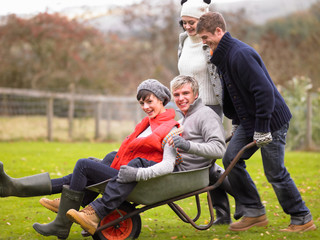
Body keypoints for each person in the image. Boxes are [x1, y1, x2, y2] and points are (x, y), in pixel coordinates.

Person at [0, 79, 180, 239]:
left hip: (136, 178)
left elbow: (163, 161)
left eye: (149, 101)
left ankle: (61, 221)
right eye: (142, 103)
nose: (146, 107)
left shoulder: (170, 127)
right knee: (88, 165)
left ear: (162, 100)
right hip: (125, 171)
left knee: (84, 166)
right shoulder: (147, 124)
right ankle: (16, 187)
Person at [196, 11, 316, 232]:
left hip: (270, 121)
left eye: (205, 37)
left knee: (275, 173)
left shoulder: (239, 54)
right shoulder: (223, 56)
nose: (204, 43)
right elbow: (236, 93)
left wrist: (262, 128)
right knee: (230, 158)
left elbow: (264, 93)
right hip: (250, 122)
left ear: (219, 31)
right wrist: (238, 122)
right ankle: (254, 212)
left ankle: (302, 218)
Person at [67, 75, 228, 235]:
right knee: (110, 159)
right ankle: (80, 210)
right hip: (177, 169)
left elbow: (219, 149)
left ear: (196, 94)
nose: (181, 98)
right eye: (177, 95)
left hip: (184, 175)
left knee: (129, 164)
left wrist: (187, 145)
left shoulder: (206, 115)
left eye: (185, 93)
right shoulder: (187, 117)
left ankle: (89, 211)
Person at [177, 0, 243, 224]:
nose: (187, 26)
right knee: (205, 164)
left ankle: (243, 201)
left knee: (205, 161)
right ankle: (232, 208)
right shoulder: (183, 40)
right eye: (183, 22)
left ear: (203, 19)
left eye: (191, 22)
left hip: (211, 106)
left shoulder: (212, 42)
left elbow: (226, 74)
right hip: (190, 107)